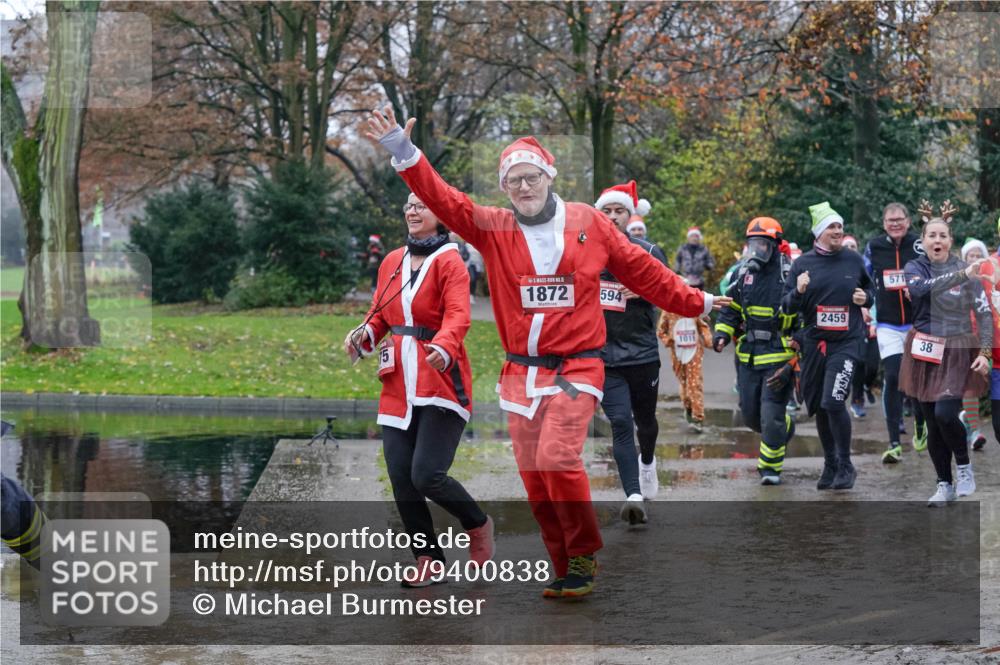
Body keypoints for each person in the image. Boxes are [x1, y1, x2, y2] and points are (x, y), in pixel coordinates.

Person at [364, 106, 729, 599]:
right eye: (512, 181)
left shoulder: (591, 223)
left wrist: (697, 301)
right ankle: (563, 564)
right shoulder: (493, 227)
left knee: (558, 456)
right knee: (536, 478)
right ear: (504, 188)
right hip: (520, 374)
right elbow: (444, 201)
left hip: (578, 365)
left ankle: (581, 553)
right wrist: (403, 152)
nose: (523, 187)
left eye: (530, 177)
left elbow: (643, 272)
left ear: (548, 176)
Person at [345, 193, 494, 587]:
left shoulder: (451, 261)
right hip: (397, 385)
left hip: (441, 381)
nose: (411, 210)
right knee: (400, 476)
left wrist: (444, 346)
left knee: (427, 475)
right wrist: (364, 335)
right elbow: (380, 313)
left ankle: (477, 524)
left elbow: (459, 315)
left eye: (421, 205)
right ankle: (428, 557)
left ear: (440, 215)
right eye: (408, 204)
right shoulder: (392, 261)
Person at [898, 202, 991, 506]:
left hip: (957, 348)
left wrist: (987, 353)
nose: (937, 241)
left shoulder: (969, 275)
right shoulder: (914, 268)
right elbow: (923, 290)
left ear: (951, 241)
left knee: (945, 413)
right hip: (923, 348)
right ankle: (944, 484)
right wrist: (962, 274)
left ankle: (964, 467)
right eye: (931, 236)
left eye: (943, 236)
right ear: (923, 241)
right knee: (932, 422)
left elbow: (985, 314)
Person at [783, 202, 875, 490]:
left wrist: (865, 299)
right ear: (819, 232)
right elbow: (785, 306)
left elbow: (870, 291)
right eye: (832, 227)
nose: (838, 231)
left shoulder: (853, 260)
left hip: (847, 342)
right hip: (814, 344)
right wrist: (798, 291)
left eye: (839, 226)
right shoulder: (802, 265)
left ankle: (846, 464)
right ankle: (830, 462)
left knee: (833, 401)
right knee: (818, 407)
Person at [593, 181, 663, 524]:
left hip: (643, 352)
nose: (612, 217)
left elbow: (670, 292)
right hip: (604, 356)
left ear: (629, 214)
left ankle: (647, 463)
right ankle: (634, 497)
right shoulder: (586, 253)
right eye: (606, 211)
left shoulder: (648, 251)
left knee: (645, 422)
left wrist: (644, 291)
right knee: (620, 422)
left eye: (619, 211)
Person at [714, 217, 799, 485]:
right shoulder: (742, 274)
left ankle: (770, 469)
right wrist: (722, 333)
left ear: (775, 245)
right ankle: (785, 427)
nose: (756, 250)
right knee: (751, 416)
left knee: (771, 414)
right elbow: (731, 308)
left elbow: (804, 316)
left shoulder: (790, 274)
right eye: (753, 244)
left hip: (778, 357)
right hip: (748, 356)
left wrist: (797, 357)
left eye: (762, 244)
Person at [863, 203, 928, 463]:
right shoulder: (874, 247)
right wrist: (865, 305)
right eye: (890, 220)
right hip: (888, 324)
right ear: (883, 223)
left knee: (918, 378)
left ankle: (921, 426)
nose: (895, 224)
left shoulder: (919, 245)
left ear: (909, 221)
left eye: (899, 219)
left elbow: (936, 274)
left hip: (918, 323)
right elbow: (863, 278)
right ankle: (893, 443)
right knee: (892, 375)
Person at [959, 238, 990, 450]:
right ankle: (975, 431)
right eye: (972, 256)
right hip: (963, 341)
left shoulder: (993, 281)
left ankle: (966, 419)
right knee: (970, 386)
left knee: (982, 385)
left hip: (988, 342)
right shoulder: (959, 282)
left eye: (980, 255)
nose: (976, 259)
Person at [658, 309, 713, 432]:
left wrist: (709, 340)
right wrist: (669, 341)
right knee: (684, 383)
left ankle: (698, 418)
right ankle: (688, 407)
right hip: (677, 353)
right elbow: (661, 332)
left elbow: (703, 326)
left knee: (695, 383)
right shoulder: (668, 311)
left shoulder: (692, 308)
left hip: (695, 352)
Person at [842, 235, 877, 418]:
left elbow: (875, 294)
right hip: (849, 325)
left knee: (872, 365)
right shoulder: (835, 269)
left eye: (853, 245)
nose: (849, 248)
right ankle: (857, 401)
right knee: (858, 362)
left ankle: (867, 385)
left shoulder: (865, 268)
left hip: (871, 322)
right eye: (846, 245)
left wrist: (874, 320)